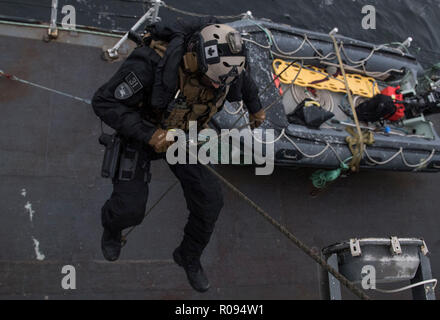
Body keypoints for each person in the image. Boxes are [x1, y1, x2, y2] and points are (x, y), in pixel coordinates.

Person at [92, 17, 266, 293]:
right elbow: (103, 101)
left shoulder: (226, 66)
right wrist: (148, 134)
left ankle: (188, 255)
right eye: (212, 82)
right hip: (142, 132)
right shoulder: (149, 64)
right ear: (196, 60)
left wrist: (255, 106)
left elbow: (242, 79)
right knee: (129, 209)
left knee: (210, 202)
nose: (217, 88)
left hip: (185, 135)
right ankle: (113, 227)